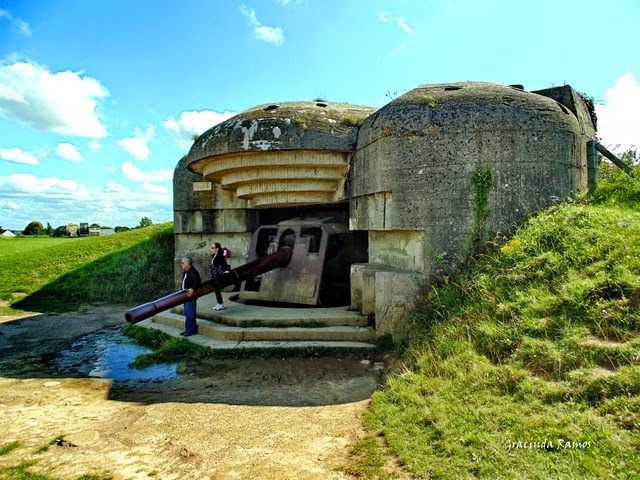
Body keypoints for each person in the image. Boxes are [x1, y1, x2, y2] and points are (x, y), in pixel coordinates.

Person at [180, 255, 201, 336]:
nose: (181, 264)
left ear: (188, 264)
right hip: (185, 296)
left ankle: (191, 330)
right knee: (186, 312)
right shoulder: (186, 271)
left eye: (182, 263)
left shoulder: (193, 272)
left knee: (190, 313)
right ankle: (187, 329)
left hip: (190, 296)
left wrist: (192, 288)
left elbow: (198, 282)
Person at [210, 242, 230, 311]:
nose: (211, 249)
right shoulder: (214, 256)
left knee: (217, 289)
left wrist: (226, 270)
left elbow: (224, 264)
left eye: (213, 248)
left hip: (218, 275)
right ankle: (219, 303)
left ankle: (221, 304)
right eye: (211, 248)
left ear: (217, 249)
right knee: (216, 289)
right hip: (214, 275)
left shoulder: (220, 256)